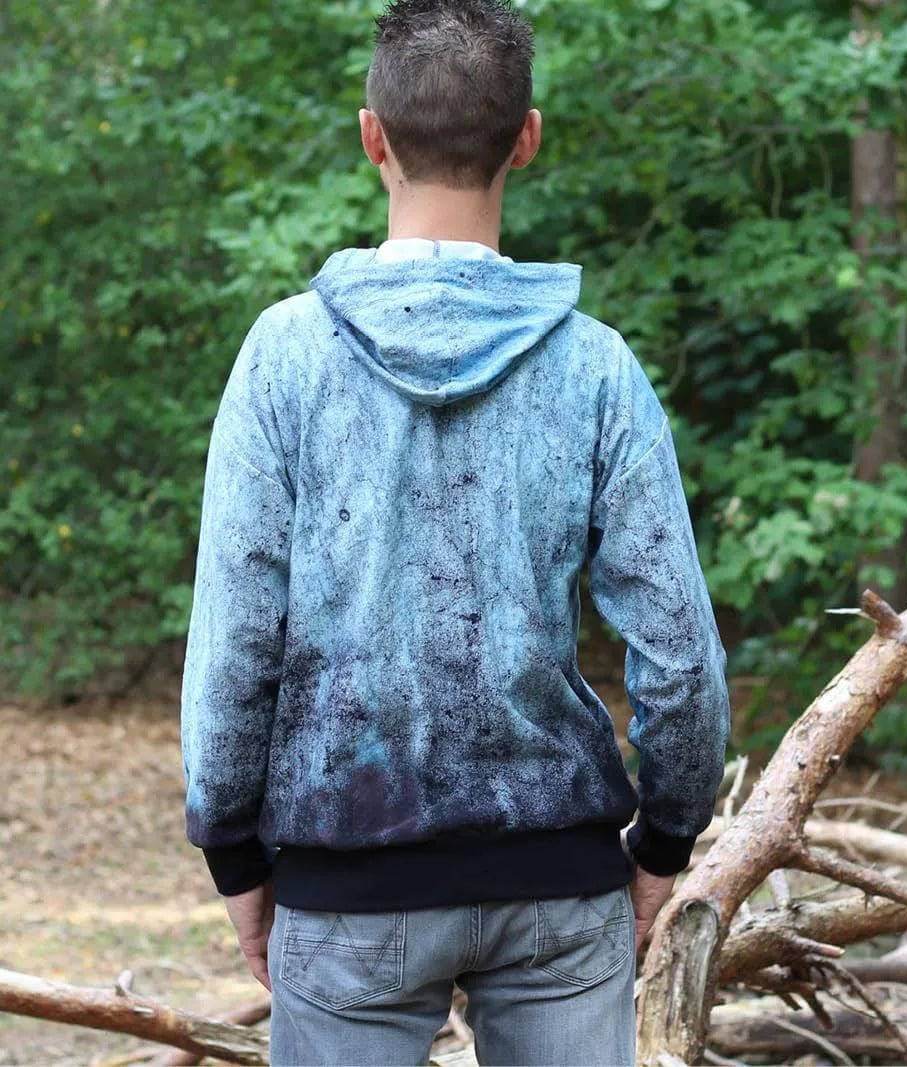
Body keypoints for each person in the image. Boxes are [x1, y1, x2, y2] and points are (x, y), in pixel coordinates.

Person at [179, 1, 731, 1064]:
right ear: (526, 138)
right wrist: (665, 840)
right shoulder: (595, 367)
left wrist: (233, 854)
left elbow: (235, 639)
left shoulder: (284, 358)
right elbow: (680, 653)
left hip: (346, 886)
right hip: (559, 888)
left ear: (371, 137)